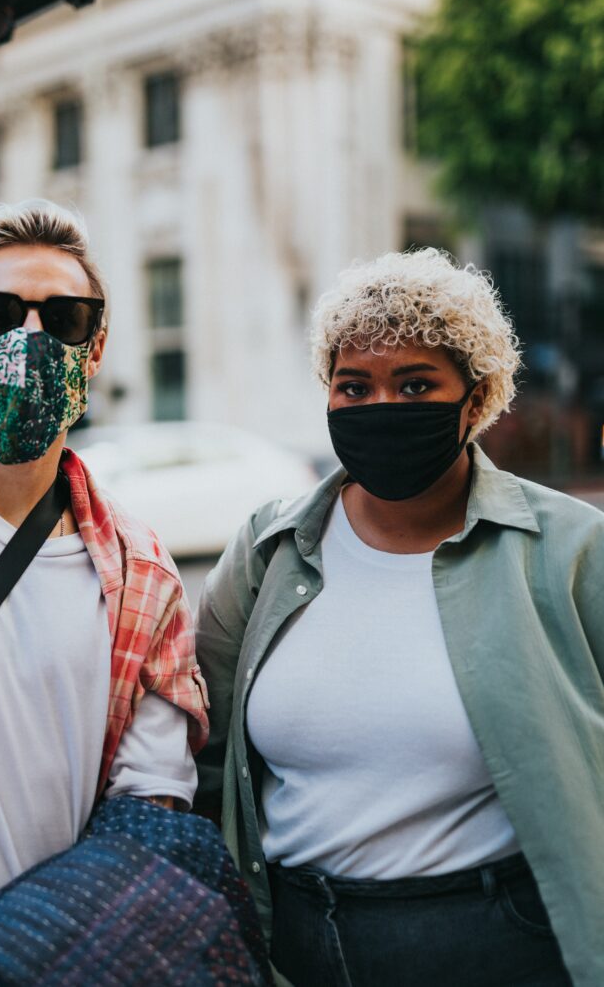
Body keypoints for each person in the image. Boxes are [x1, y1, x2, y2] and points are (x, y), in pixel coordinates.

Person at [194, 248, 604, 987]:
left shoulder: (571, 550)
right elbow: (207, 751)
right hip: (293, 943)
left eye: (416, 383)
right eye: (354, 386)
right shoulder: (268, 549)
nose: (381, 406)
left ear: (476, 399)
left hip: (493, 942)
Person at [0, 200, 209, 984]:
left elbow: (151, 812)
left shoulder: (145, 575)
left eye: (65, 317)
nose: (31, 339)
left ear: (96, 346)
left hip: (60, 961)